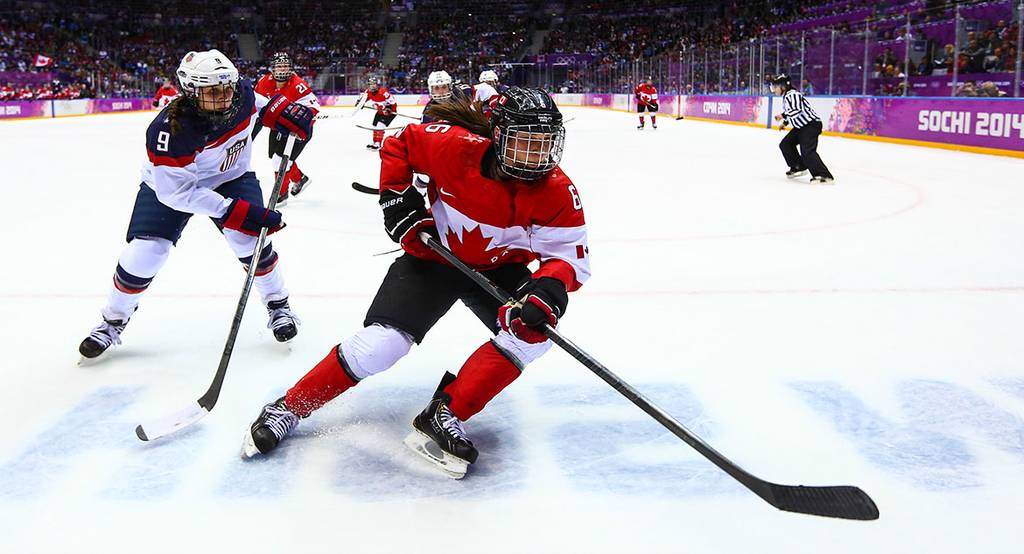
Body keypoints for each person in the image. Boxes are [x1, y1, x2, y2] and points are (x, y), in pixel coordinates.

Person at [242, 87, 590, 480]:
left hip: (501, 268)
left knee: (533, 334)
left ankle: (445, 413)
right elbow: (398, 144)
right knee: (381, 345)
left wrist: (547, 290)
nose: (536, 157)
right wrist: (398, 199)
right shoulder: (453, 147)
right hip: (435, 257)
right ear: (497, 134)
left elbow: (567, 259)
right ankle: (289, 407)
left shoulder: (558, 190)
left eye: (544, 145)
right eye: (524, 143)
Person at [77, 49, 314, 359]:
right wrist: (232, 210)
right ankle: (112, 322)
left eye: (226, 87)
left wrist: (280, 113)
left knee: (249, 241)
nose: (224, 97)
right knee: (145, 253)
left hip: (230, 176)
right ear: (190, 92)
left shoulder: (239, 92)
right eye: (213, 91)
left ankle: (278, 305)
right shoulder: (170, 130)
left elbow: (259, 105)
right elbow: (177, 193)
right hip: (171, 187)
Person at [254, 52, 320, 204]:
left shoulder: (298, 85)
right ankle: (300, 178)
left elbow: (314, 107)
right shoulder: (264, 82)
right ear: (272, 69)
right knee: (275, 158)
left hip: (298, 130)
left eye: (285, 66)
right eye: (279, 66)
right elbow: (255, 102)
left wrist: (301, 120)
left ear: (291, 68)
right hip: (277, 126)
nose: (282, 69)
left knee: (279, 160)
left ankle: (282, 194)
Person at [772, 74, 834, 184]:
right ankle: (799, 166)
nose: (774, 89)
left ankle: (824, 175)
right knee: (786, 144)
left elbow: (797, 110)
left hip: (811, 125)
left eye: (776, 87)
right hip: (801, 127)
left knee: (807, 152)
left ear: (783, 86)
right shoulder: (787, 96)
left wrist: (783, 116)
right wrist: (785, 123)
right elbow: (792, 112)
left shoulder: (792, 94)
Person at [363, 78, 397, 150]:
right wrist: (360, 103)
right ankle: (375, 142)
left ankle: (378, 144)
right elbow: (363, 99)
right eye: (370, 84)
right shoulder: (368, 92)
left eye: (374, 84)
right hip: (380, 111)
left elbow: (393, 103)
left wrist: (390, 110)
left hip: (389, 112)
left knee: (380, 125)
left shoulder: (383, 92)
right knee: (375, 126)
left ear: (377, 85)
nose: (372, 86)